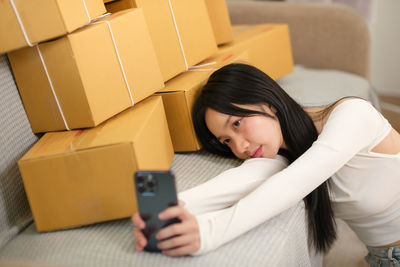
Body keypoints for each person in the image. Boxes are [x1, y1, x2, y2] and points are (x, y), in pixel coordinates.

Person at [132, 63, 400, 266]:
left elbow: (290, 186)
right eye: (227, 141)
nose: (239, 147)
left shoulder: (353, 115)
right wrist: (165, 213)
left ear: (267, 100)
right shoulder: (286, 154)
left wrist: (208, 233)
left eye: (237, 123)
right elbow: (242, 180)